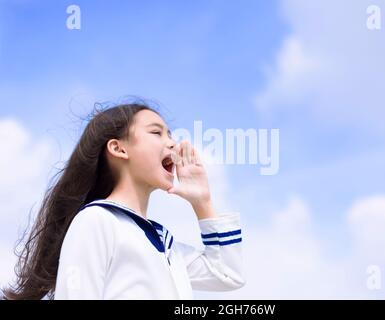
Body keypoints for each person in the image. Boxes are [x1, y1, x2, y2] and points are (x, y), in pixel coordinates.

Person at [3, 102, 245, 299]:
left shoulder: (164, 243)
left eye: (170, 134)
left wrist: (202, 201)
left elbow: (227, 274)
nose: (172, 142)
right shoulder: (96, 221)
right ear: (119, 149)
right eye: (156, 132)